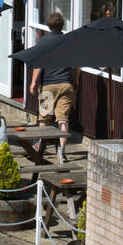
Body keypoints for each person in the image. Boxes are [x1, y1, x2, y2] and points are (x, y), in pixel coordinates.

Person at [28, 12, 78, 164]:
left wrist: (33, 83)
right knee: (62, 119)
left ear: (49, 26)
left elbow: (39, 63)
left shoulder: (44, 41)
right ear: (61, 25)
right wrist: (75, 81)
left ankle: (40, 149)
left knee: (44, 119)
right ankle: (61, 152)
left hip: (48, 86)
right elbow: (77, 64)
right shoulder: (68, 41)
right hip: (65, 85)